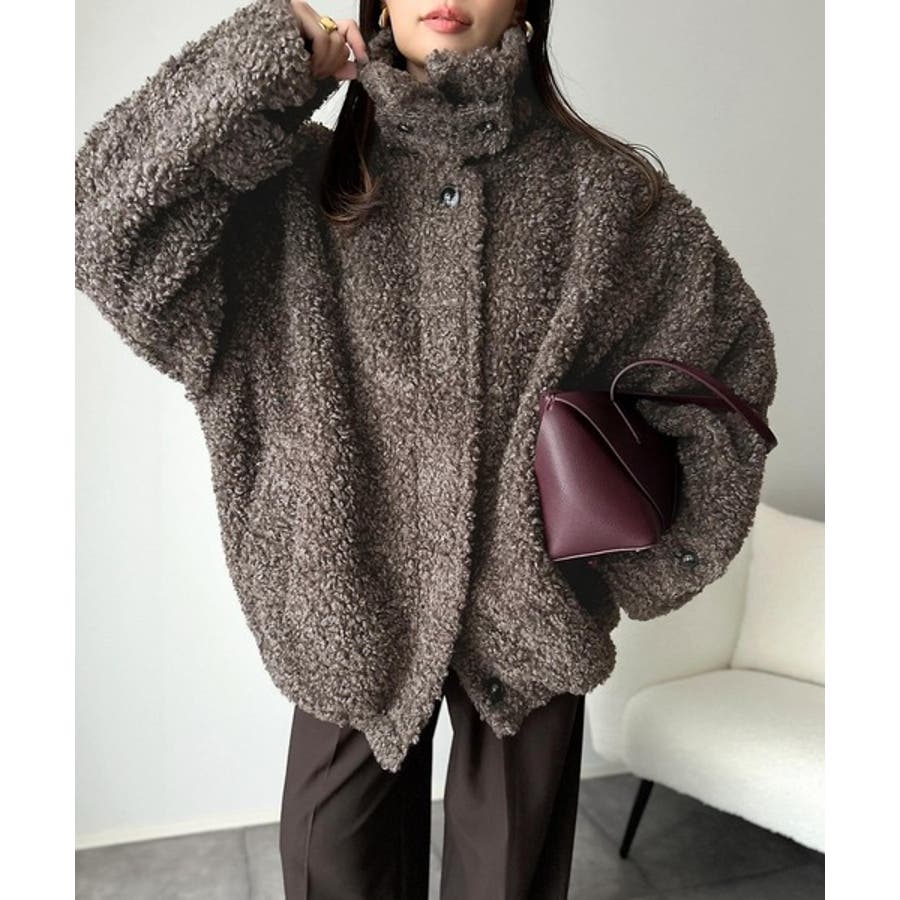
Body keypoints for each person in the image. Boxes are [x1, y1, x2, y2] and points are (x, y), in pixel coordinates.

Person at [74, 1, 778, 897]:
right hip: (346, 613)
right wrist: (267, 64)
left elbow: (723, 373)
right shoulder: (294, 189)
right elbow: (106, 226)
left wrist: (642, 568)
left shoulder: (606, 197)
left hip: (526, 632)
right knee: (333, 868)